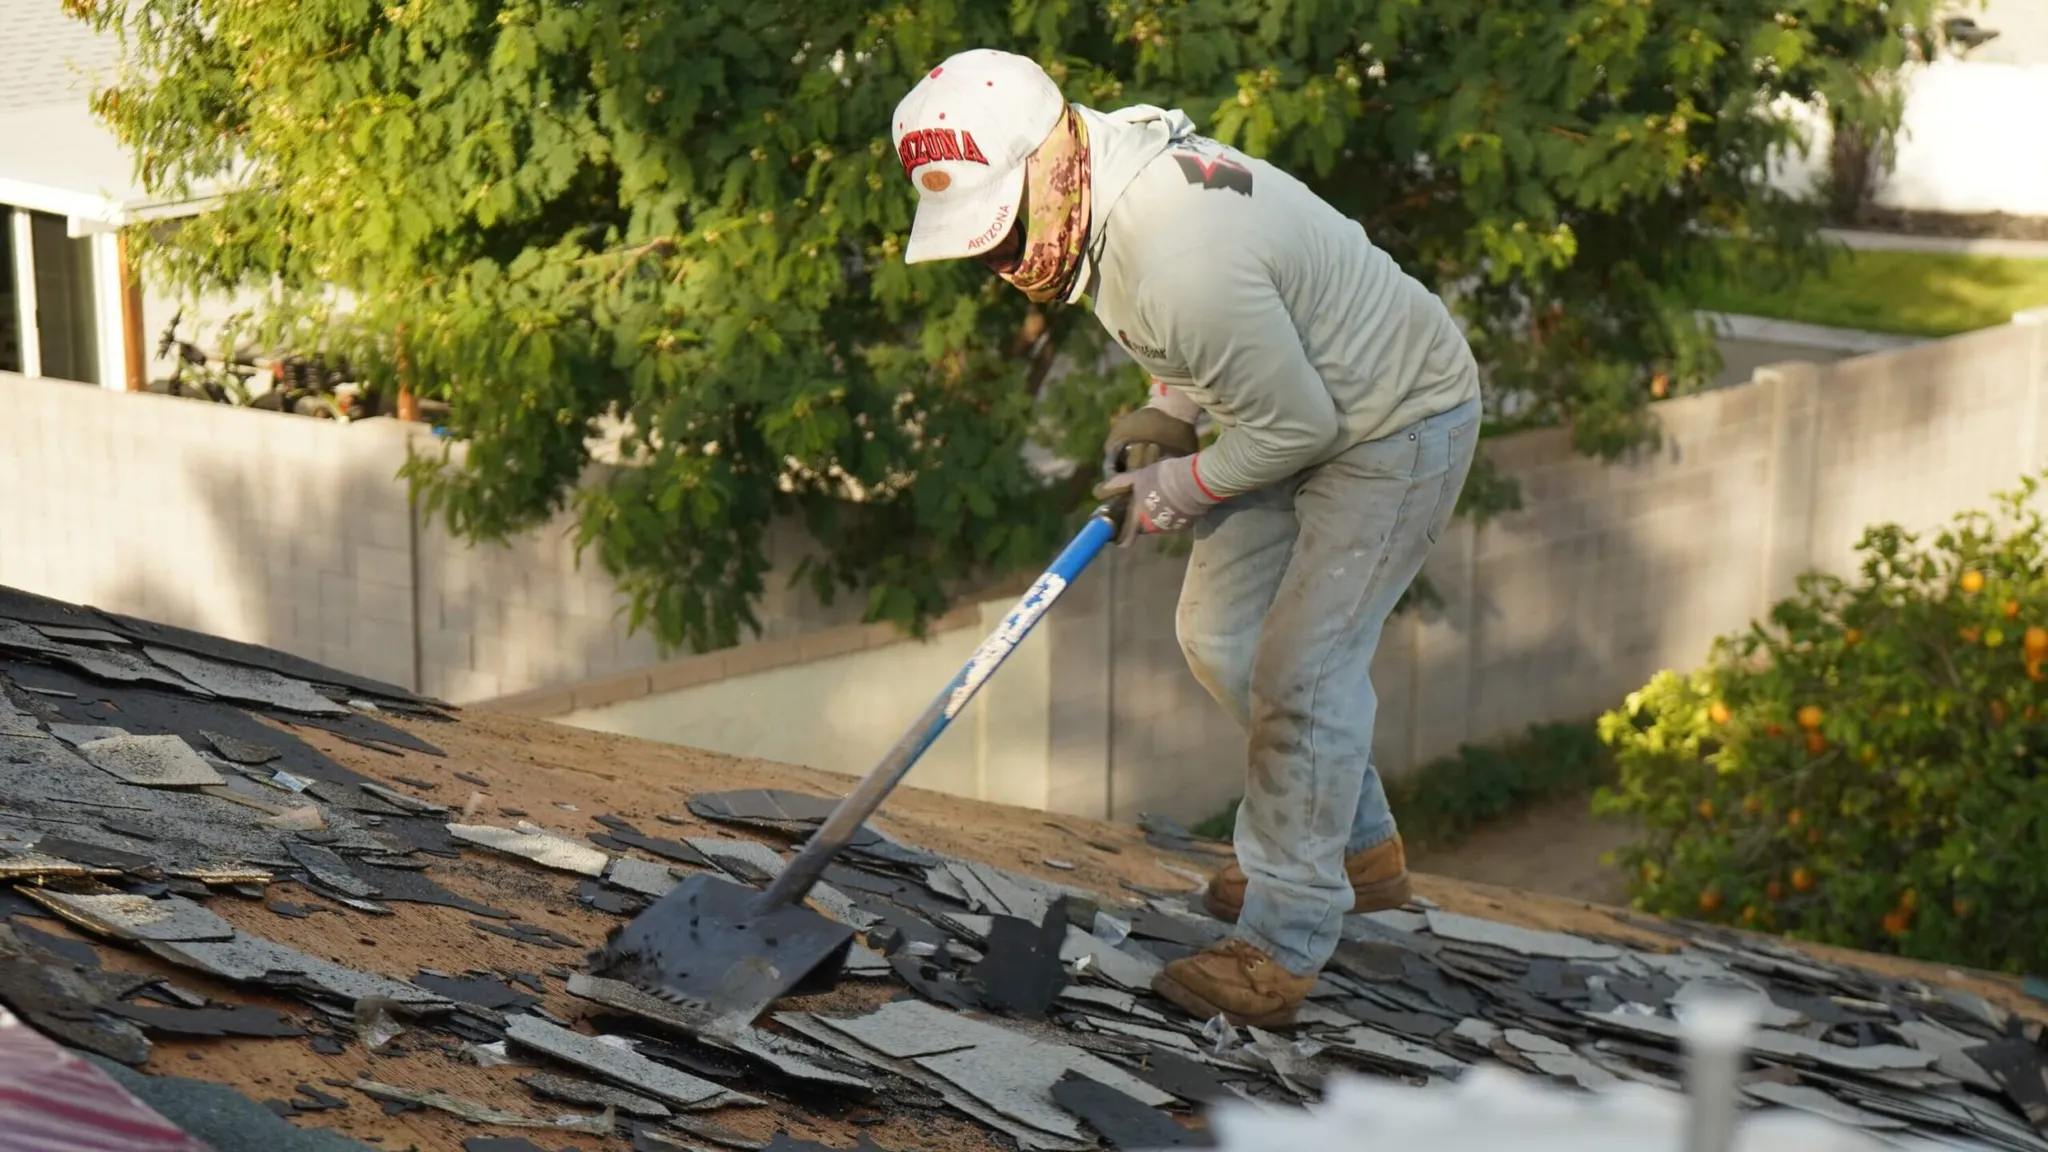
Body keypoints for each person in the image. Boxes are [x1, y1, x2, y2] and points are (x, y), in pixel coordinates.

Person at [891, 48, 1482, 1027]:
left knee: (1301, 672)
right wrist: (1170, 408)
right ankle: (1352, 848)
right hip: (1293, 405)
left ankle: (1282, 945)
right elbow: (1217, 347)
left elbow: (1297, 426)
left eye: (1001, 240)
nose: (1000, 268)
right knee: (1219, 638)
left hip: (1391, 425)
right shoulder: (1111, 178)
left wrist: (1176, 485)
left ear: (1050, 164)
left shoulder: (1176, 257)